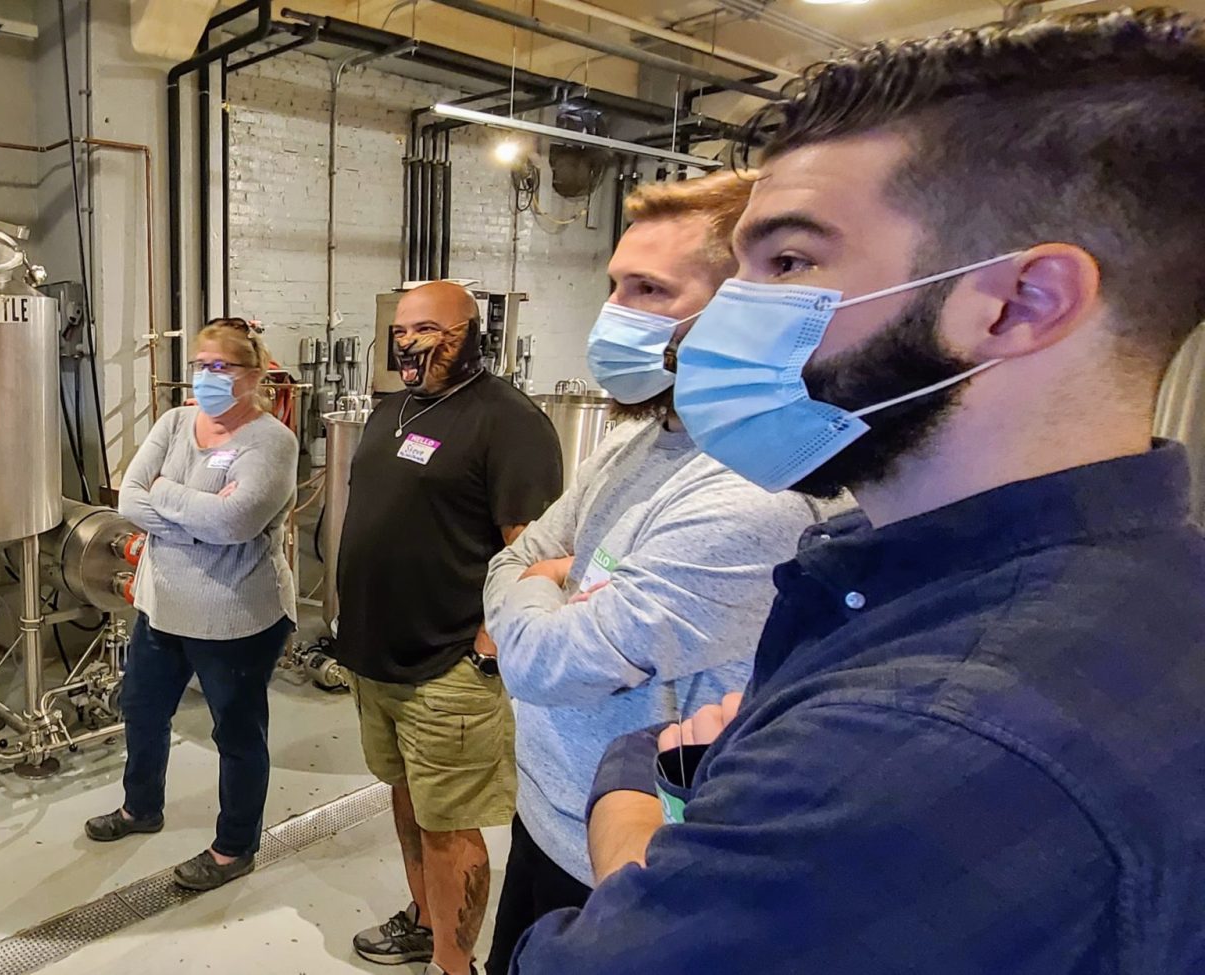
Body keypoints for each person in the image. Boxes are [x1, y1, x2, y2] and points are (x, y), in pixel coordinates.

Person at [512, 10, 1205, 973]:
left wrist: (636, 778)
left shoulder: (926, 732)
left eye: (789, 263)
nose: (719, 324)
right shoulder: (1125, 590)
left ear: (1022, 302)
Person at [475, 172, 826, 975]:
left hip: (629, 851)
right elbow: (514, 559)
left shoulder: (752, 494)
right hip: (548, 808)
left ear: (742, 309)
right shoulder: (638, 440)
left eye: (649, 289)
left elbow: (539, 661)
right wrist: (543, 581)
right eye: (615, 285)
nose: (613, 312)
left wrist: (539, 589)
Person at [337, 282, 563, 975]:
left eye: (429, 328)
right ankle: (424, 920)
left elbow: (536, 553)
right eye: (402, 330)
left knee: (449, 824)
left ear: (472, 335)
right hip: (377, 658)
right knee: (408, 798)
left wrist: (486, 651)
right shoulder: (394, 406)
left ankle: (453, 964)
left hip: (448, 665)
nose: (408, 341)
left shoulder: (509, 420)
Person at [86, 317, 298, 892]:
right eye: (200, 365)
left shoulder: (272, 442)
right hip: (162, 606)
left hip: (234, 615)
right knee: (143, 710)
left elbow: (235, 523)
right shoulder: (175, 423)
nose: (207, 376)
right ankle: (140, 808)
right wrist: (196, 522)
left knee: (237, 734)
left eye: (221, 366)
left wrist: (169, 497)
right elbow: (131, 498)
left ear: (253, 374)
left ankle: (234, 848)